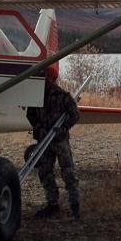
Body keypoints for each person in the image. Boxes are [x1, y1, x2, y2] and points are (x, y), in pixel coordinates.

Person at [26, 75, 81, 219]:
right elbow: (30, 114)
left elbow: (75, 114)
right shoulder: (36, 96)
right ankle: (52, 204)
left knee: (68, 172)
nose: (44, 82)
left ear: (51, 80)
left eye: (46, 79)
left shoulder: (62, 95)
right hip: (44, 139)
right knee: (44, 171)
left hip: (60, 140)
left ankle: (75, 205)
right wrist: (38, 127)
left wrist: (63, 128)